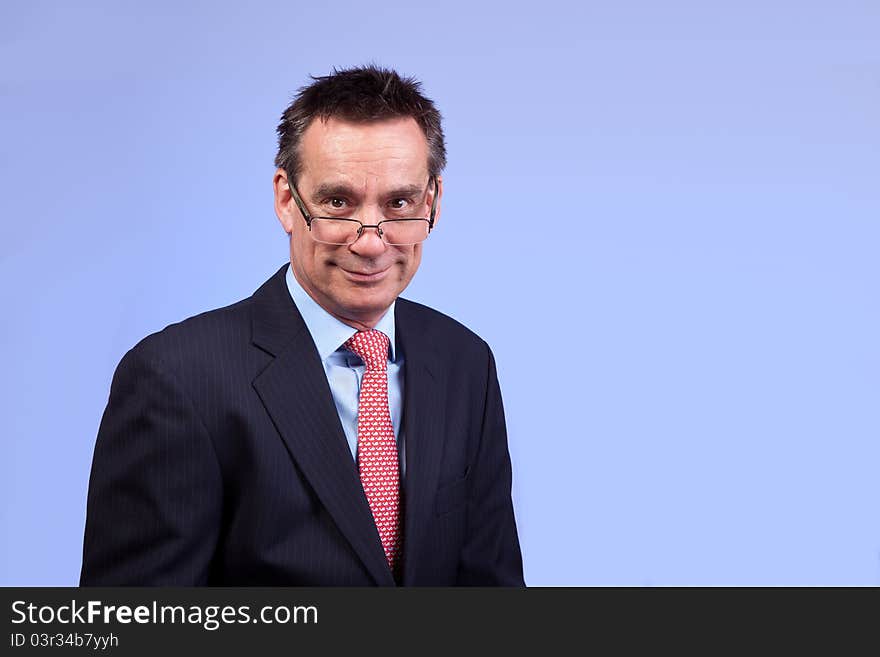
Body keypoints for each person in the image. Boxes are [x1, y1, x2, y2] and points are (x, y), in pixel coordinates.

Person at [80, 65, 524, 586]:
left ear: (434, 202)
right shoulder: (177, 379)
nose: (371, 241)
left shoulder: (465, 362)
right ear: (287, 200)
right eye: (338, 202)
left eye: (399, 204)